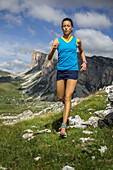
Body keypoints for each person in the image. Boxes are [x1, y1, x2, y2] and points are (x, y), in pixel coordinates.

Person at [48, 18, 86, 138]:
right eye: (64, 26)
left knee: (68, 96)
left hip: (72, 71)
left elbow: (82, 52)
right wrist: (53, 49)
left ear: (72, 28)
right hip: (61, 71)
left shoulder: (77, 41)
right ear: (61, 28)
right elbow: (49, 58)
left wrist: (84, 62)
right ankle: (66, 104)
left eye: (68, 26)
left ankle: (63, 127)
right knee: (60, 97)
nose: (66, 28)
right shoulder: (57, 40)